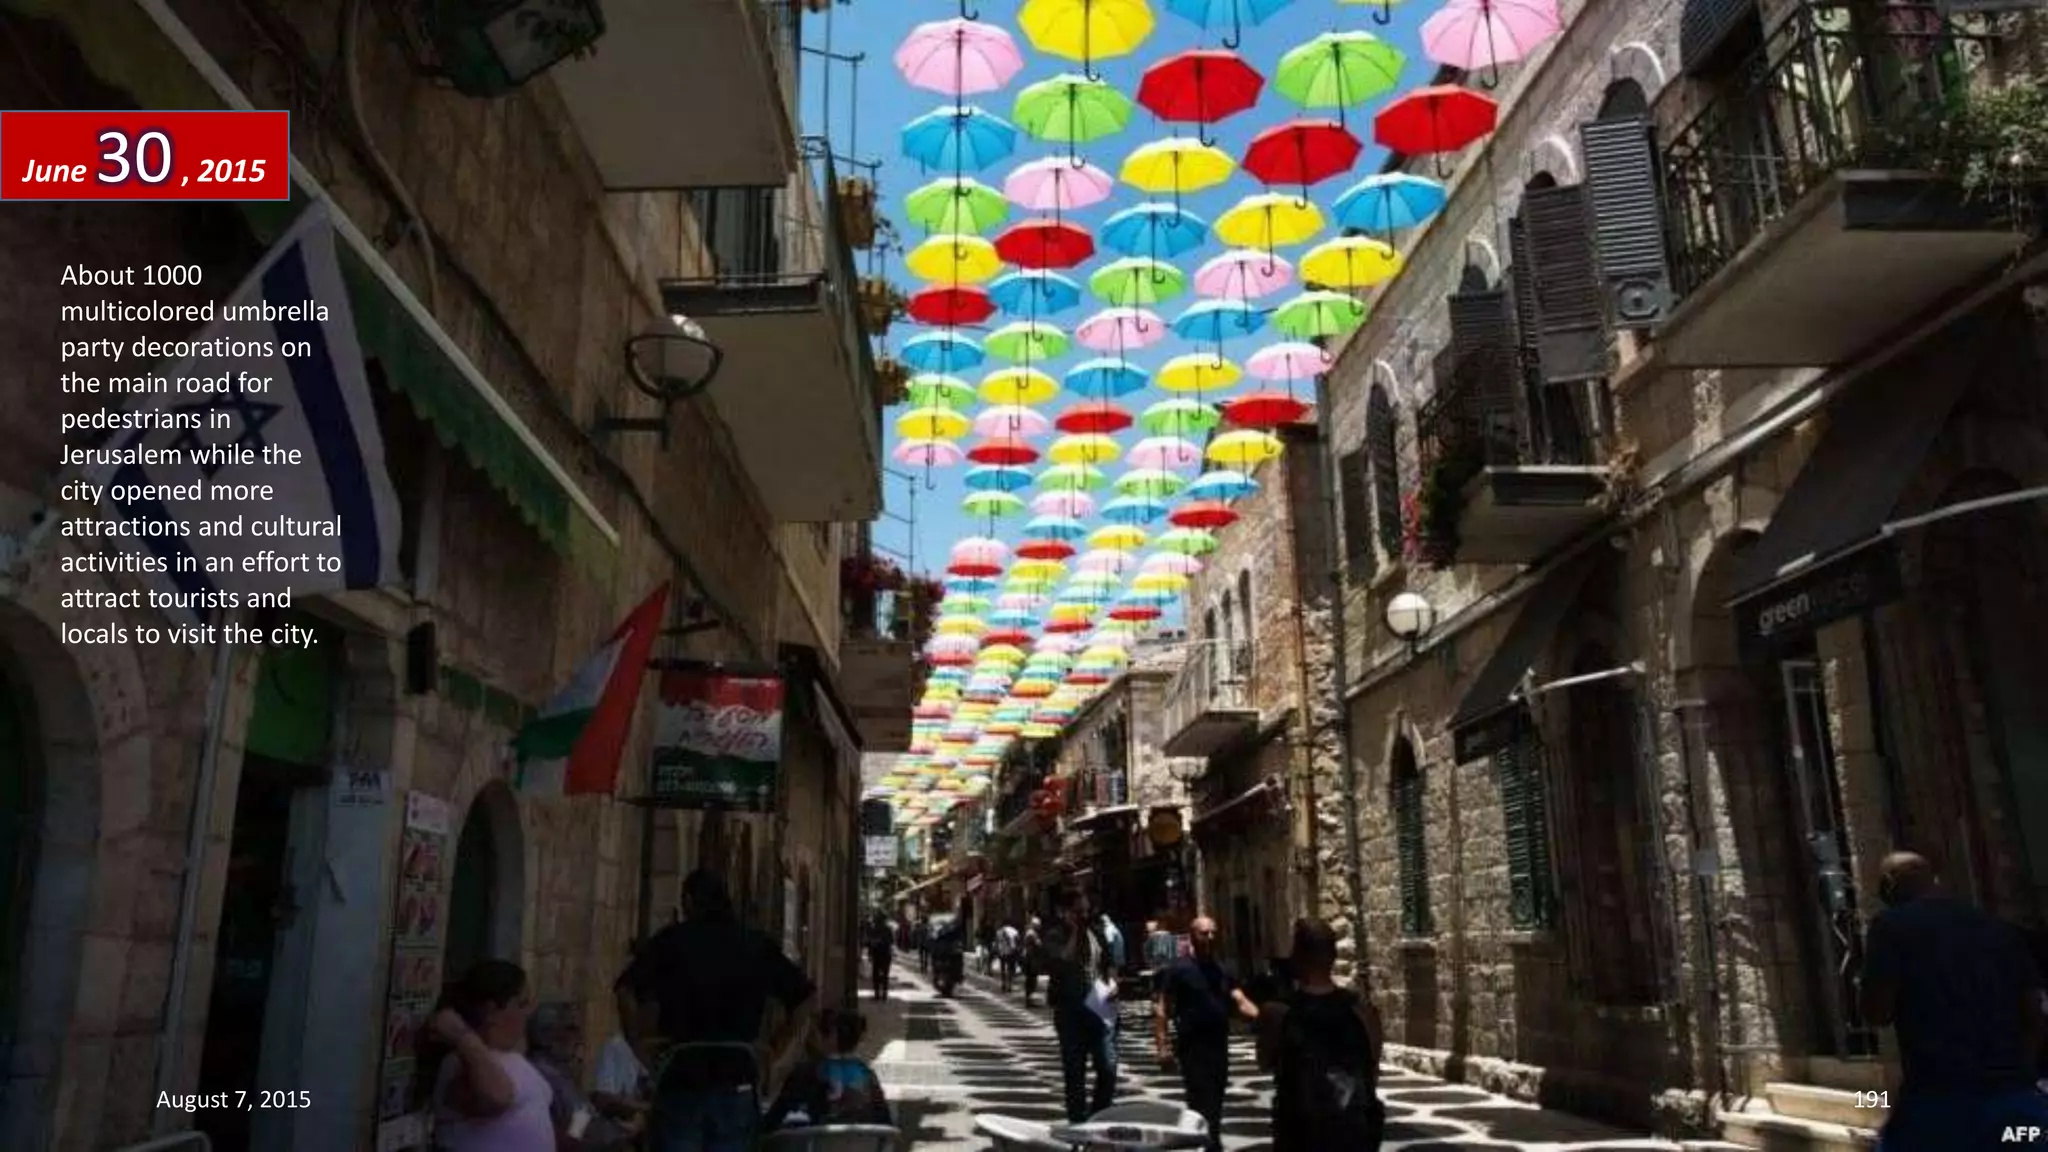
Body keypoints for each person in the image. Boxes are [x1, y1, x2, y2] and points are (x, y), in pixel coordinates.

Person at [1859, 851, 2048, 1150]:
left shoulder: (1891, 926)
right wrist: (2021, 1073)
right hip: (2014, 1097)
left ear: (1889, 885)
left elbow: (1877, 1012)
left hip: (1939, 1099)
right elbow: (2034, 1014)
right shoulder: (1998, 929)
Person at [618, 869, 818, 1152]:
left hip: (682, 1075)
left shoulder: (673, 941)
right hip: (737, 1075)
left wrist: (638, 1043)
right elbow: (805, 998)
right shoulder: (754, 944)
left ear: (688, 900)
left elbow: (626, 989)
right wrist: (777, 1051)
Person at [1260, 918, 1383, 1152]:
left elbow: (1265, 1061)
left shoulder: (1278, 1012)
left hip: (1299, 1136)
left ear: (1297, 956)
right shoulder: (1363, 1011)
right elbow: (1372, 1069)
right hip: (1353, 1134)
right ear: (1334, 956)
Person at [418, 959, 556, 1152]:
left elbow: (574, 1114)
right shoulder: (461, 1062)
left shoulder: (523, 1062)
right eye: (521, 1004)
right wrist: (463, 1037)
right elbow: (496, 1097)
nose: (527, 1014)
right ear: (492, 1011)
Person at [1155, 916, 1260, 1152]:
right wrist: (1162, 1046)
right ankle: (1208, 1144)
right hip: (1192, 1047)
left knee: (1216, 1100)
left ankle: (1208, 1141)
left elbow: (1239, 999)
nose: (1210, 938)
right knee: (1201, 1102)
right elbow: (1163, 1007)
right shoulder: (1179, 969)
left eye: (1213, 933)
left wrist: (1265, 1018)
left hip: (1218, 1045)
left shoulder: (1222, 969)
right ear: (1192, 935)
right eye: (1205, 933)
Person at [1044, 892, 1118, 1123]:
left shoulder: (1096, 933)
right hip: (1069, 1010)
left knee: (1108, 1067)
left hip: (1098, 1004)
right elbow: (1061, 962)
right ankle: (1077, 1124)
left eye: (1086, 911)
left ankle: (1097, 1116)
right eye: (1078, 912)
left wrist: (1113, 983)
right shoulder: (1055, 936)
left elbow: (1109, 965)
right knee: (1075, 1072)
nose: (1084, 916)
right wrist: (1075, 932)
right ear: (1065, 912)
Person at [528, 1005, 642, 1150]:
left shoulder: (558, 1072)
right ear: (545, 1035)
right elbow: (573, 1134)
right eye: (571, 1029)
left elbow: (580, 1115)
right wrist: (619, 1134)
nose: (580, 1038)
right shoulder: (544, 1077)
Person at [765, 1008, 894, 1131]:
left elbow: (772, 1122)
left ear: (829, 1037)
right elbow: (886, 1123)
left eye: (812, 1033)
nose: (807, 1039)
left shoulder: (804, 1074)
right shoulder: (868, 1076)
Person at [865, 910, 895, 1002]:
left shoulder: (874, 929)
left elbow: (869, 942)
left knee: (876, 975)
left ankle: (877, 995)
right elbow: (891, 941)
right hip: (886, 954)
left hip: (877, 954)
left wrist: (870, 953)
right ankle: (884, 995)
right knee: (885, 975)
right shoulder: (888, 929)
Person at [1021, 916, 1044, 1008]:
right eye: (1038, 925)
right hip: (1031, 960)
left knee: (1030, 980)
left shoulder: (1029, 933)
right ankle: (1029, 1000)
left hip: (1029, 959)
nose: (1040, 927)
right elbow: (1039, 945)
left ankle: (1029, 1000)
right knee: (1031, 980)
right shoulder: (1032, 934)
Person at [996, 920, 1022, 993]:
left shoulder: (999, 931)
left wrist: (998, 950)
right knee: (1010, 969)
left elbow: (997, 942)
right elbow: (1018, 941)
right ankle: (1009, 985)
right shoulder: (1014, 931)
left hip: (1002, 952)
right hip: (1010, 952)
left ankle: (1003, 983)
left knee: (1003, 969)